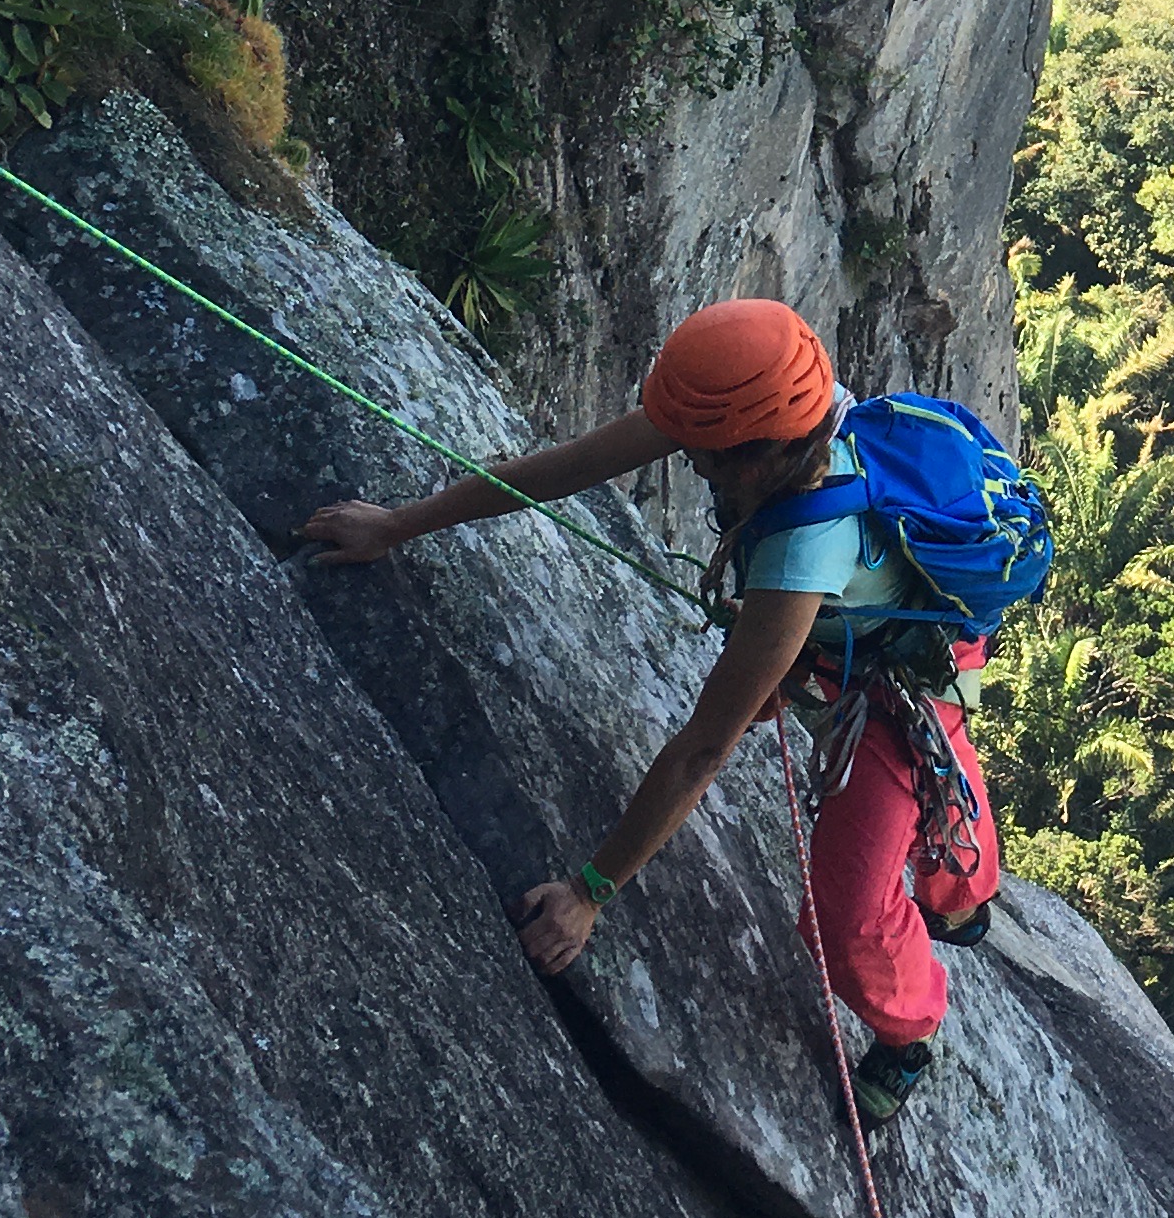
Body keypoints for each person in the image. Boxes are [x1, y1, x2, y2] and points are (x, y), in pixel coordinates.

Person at [297, 297, 1005, 1127]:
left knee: (845, 919)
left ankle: (912, 1025)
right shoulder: (764, 404)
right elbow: (554, 471)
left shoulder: (802, 542)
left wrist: (590, 892)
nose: (694, 468)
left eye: (707, 463)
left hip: (899, 679)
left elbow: (702, 750)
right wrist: (399, 525)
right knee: (934, 779)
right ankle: (964, 890)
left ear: (754, 453)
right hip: (855, 627)